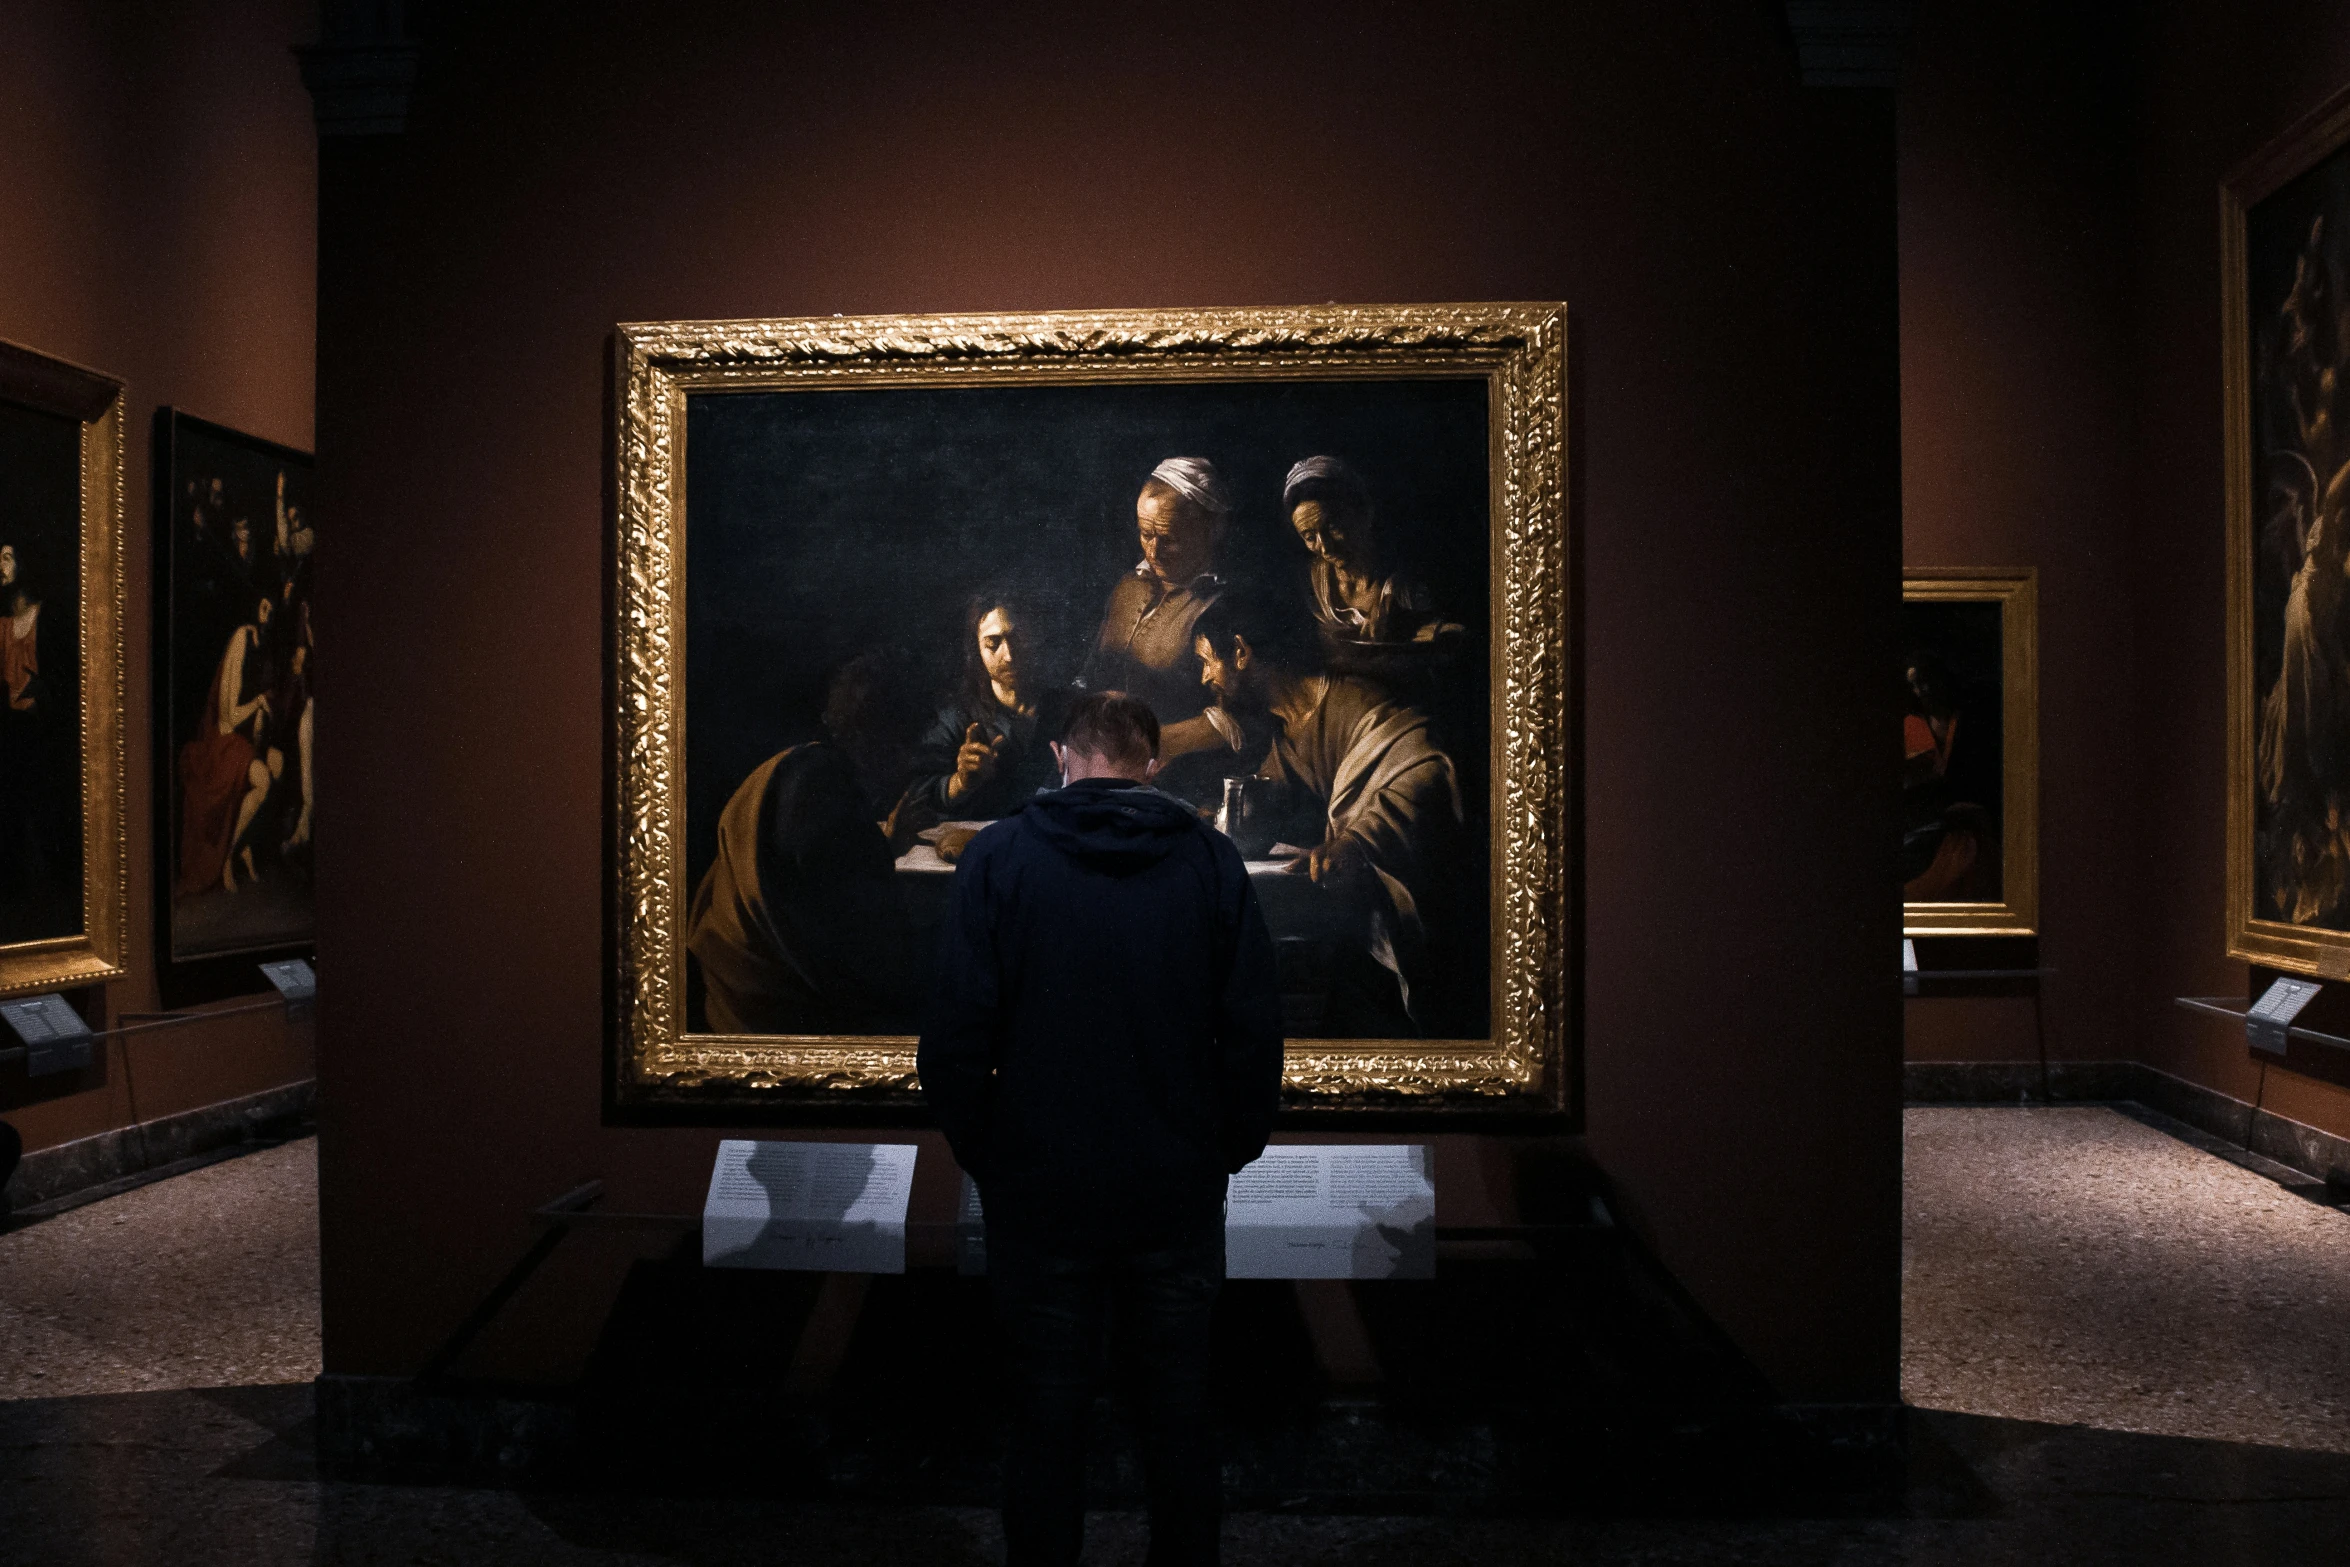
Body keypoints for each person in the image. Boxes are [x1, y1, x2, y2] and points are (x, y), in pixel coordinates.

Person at [920, 690, 1284, 1567]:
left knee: (1046, 1416)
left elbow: (955, 1038)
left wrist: (991, 1153)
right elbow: (1253, 1031)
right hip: (1173, 1189)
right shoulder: (1208, 860)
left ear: (1059, 755)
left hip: (1040, 1191)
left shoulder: (1001, 857)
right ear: (1151, 765)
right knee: (1177, 1415)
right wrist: (1221, 1150)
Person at [1191, 584, 1467, 1034]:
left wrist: (1357, 842)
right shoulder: (1287, 733)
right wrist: (1213, 818)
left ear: (1240, 651)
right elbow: (1267, 797)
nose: (1205, 678)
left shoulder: (1353, 701)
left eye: (1208, 661)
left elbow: (1427, 768)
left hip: (1424, 935)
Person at [686, 649, 924, 1035]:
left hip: (735, 988)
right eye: (901, 746)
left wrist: (886, 844)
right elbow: (862, 942)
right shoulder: (825, 793)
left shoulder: (796, 765)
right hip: (771, 1009)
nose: (906, 762)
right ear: (879, 737)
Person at [897, 588, 1066, 833]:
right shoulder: (955, 718)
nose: (1008, 655)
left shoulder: (1066, 709)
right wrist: (960, 782)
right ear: (976, 649)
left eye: (1017, 638)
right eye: (992, 643)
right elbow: (914, 795)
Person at [1081, 458, 1230, 727]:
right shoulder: (1127, 587)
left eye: (1168, 539)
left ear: (1212, 531)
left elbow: (1236, 720)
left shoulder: (1222, 604)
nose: (1153, 552)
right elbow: (1091, 675)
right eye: (1146, 534)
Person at [1281, 456, 1458, 664]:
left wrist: (1415, 626)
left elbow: (1457, 639)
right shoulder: (1311, 582)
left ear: (1364, 512)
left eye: (1333, 528)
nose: (1325, 547)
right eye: (1310, 537)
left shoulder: (1404, 583)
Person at [178, 597, 274, 895]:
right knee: (263, 781)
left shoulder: (267, 647)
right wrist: (259, 704)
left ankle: (239, 847)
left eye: (273, 610)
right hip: (221, 742)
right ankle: (228, 857)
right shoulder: (241, 638)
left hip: (241, 742)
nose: (269, 615)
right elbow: (228, 716)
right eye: (264, 608)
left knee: (273, 775)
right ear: (256, 608)